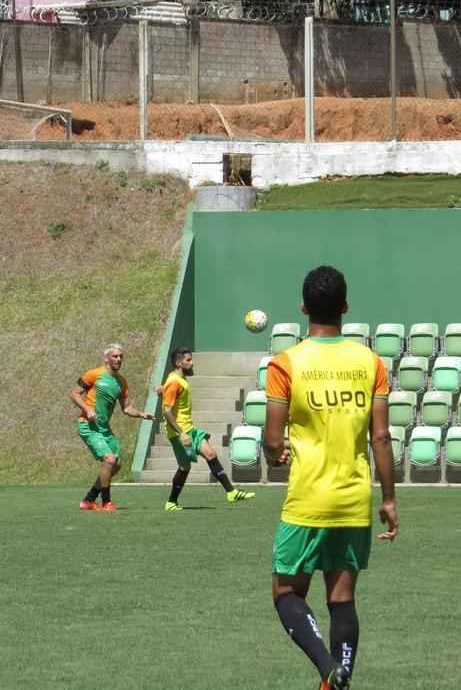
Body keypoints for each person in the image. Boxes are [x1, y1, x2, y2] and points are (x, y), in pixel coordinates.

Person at [262, 266, 397, 690]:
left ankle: (327, 668)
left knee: (286, 592)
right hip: (354, 499)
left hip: (307, 499)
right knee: (342, 598)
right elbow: (380, 436)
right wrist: (389, 500)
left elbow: (270, 438)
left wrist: (276, 451)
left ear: (303, 307)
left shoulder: (286, 363)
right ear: (345, 307)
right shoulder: (370, 362)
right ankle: (340, 680)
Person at [160, 346, 254, 511]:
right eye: (188, 360)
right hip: (180, 433)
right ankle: (171, 502)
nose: (192, 363)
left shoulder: (178, 380)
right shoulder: (174, 381)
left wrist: (162, 390)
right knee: (184, 467)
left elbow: (169, 393)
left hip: (191, 429)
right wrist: (181, 433)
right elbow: (166, 411)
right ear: (178, 362)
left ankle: (231, 492)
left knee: (211, 454)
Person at [72, 343, 153, 512]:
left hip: (104, 428)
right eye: (115, 356)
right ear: (106, 358)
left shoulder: (121, 382)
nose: (119, 359)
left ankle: (88, 500)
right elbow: (74, 393)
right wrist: (87, 409)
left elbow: (125, 408)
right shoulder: (94, 374)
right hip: (88, 426)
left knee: (116, 464)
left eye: (121, 356)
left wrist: (141, 414)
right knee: (109, 459)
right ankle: (106, 502)